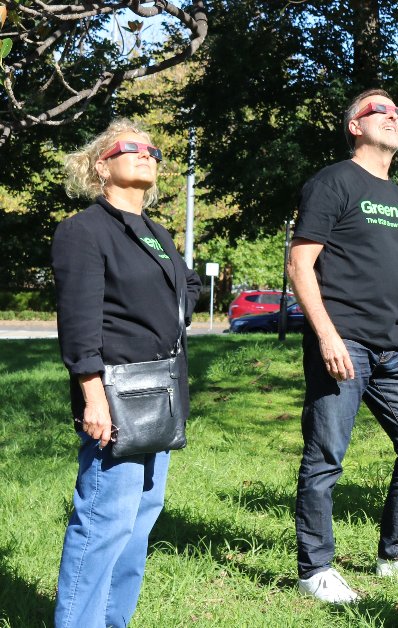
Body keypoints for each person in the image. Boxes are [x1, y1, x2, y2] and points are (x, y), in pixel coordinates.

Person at [289, 89, 398, 604]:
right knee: (326, 457)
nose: (394, 118)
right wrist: (327, 335)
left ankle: (397, 553)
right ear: (355, 125)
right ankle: (315, 569)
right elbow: (301, 265)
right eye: (381, 111)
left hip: (395, 351)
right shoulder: (333, 181)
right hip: (345, 342)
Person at [52, 118, 202, 628]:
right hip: (116, 397)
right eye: (131, 147)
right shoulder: (83, 231)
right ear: (102, 164)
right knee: (102, 523)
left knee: (139, 523)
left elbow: (177, 297)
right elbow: (79, 322)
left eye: (153, 149)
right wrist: (92, 396)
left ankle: (114, 621)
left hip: (158, 394)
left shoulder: (158, 234)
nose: (147, 153)